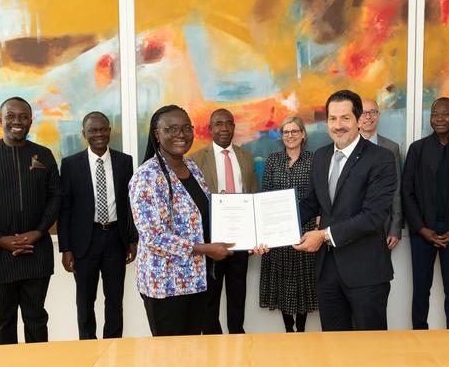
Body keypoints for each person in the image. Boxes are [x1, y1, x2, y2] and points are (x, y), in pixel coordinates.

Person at [129, 105, 264, 336]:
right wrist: (205, 249)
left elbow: (205, 214)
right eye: (171, 129)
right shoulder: (148, 175)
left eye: (185, 128)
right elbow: (154, 236)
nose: (180, 134)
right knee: (172, 359)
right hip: (166, 286)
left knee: (192, 357)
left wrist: (246, 235)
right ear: (156, 134)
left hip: (195, 281)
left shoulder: (191, 166)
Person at [294, 89, 397, 331]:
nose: (338, 125)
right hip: (327, 272)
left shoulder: (381, 158)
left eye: (345, 118)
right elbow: (311, 203)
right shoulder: (320, 157)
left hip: (366, 272)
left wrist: (323, 235)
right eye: (332, 118)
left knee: (369, 350)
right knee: (333, 348)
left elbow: (373, 216)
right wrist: (269, 230)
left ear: (359, 119)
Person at [0, 96, 61, 345]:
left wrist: (39, 232)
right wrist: (0, 239)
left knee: (37, 319)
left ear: (31, 121)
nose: (17, 121)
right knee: (3, 321)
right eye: (11, 116)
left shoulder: (44, 155)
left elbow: (56, 198)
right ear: (0, 121)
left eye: (23, 116)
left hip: (36, 252)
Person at [58, 112, 138, 340]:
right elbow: (65, 210)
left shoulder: (125, 162)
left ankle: (113, 345)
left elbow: (129, 204)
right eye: (93, 130)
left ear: (109, 131)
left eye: (103, 129)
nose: (99, 134)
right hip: (85, 241)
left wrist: (132, 239)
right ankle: (87, 345)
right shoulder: (71, 165)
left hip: (115, 239)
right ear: (84, 134)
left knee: (115, 299)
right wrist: (66, 248)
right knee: (85, 300)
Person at [402, 97, 449, 330]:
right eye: (435, 114)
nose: (440, 119)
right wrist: (422, 229)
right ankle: (419, 335)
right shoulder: (417, 149)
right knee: (420, 289)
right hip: (422, 232)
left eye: (445, 114)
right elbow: (407, 193)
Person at [189, 108, 259, 334]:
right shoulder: (196, 159)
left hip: (242, 240)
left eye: (228, 123)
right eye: (218, 124)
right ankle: (213, 340)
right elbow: (192, 203)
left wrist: (255, 235)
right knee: (211, 296)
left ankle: (237, 337)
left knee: (238, 294)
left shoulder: (245, 157)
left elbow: (253, 195)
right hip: (211, 241)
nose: (224, 128)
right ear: (210, 129)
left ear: (233, 128)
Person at [259, 116, 318, 332]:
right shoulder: (273, 160)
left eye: (294, 131)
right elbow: (265, 194)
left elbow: (318, 195)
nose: (290, 136)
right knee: (283, 282)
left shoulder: (314, 160)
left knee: (303, 282)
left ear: (303, 134)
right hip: (278, 232)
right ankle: (288, 329)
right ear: (281, 136)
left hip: (306, 230)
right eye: (286, 132)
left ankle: (300, 330)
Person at [360, 98, 403, 250]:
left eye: (372, 112)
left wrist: (395, 228)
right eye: (363, 113)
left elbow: (396, 189)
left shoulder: (391, 148)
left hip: (382, 228)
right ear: (357, 116)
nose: (368, 117)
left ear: (378, 115)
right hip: (350, 227)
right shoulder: (346, 147)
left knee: (380, 273)